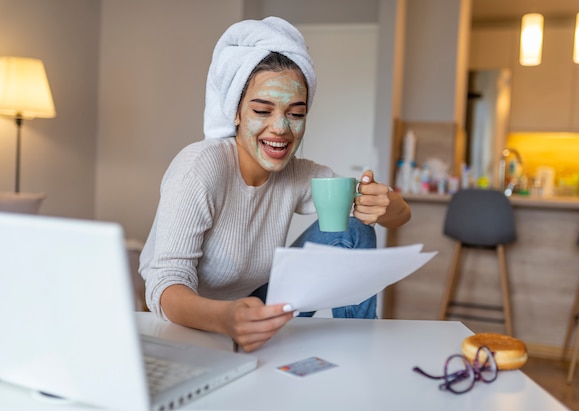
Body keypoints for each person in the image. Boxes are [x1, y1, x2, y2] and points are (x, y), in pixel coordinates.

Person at [139, 16, 411, 352]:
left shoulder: (295, 173)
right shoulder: (199, 167)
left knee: (353, 228)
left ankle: (357, 350)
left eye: (295, 114)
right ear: (235, 112)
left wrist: (385, 203)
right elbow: (165, 286)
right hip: (196, 322)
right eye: (262, 110)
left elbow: (398, 218)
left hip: (255, 307)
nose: (280, 127)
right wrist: (227, 318)